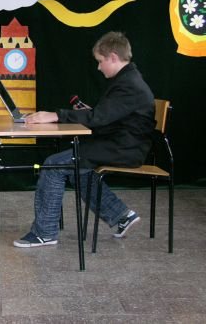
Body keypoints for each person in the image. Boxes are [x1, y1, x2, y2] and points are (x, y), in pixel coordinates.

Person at [14, 31, 155, 247]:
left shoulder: (129, 85)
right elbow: (108, 116)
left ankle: (45, 233)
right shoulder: (128, 80)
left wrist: (56, 115)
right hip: (121, 143)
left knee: (53, 165)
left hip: (125, 148)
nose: (98, 67)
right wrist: (91, 113)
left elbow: (99, 118)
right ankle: (120, 215)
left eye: (100, 61)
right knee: (75, 169)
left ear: (113, 57)